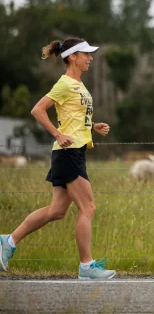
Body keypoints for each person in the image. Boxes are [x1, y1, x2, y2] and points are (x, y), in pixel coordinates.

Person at [0, 37, 116, 280]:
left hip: (74, 151)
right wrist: (57, 133)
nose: (90, 58)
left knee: (56, 211)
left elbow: (72, 115)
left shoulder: (79, 85)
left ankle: (8, 241)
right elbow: (37, 109)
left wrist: (92, 126)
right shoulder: (64, 84)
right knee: (89, 208)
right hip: (68, 152)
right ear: (72, 56)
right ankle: (87, 267)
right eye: (85, 54)